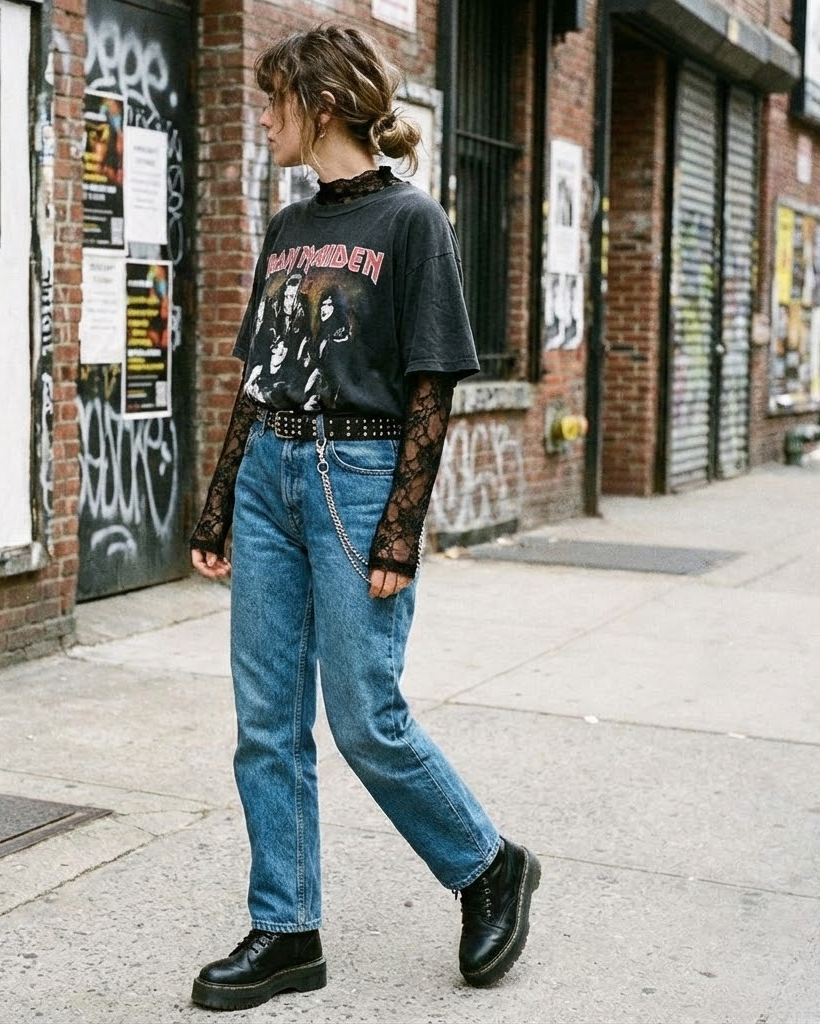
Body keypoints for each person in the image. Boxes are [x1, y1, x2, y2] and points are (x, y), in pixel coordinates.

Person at [188, 23, 540, 1012]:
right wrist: (220, 500)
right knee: (264, 722)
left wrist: (401, 525)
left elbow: (432, 384)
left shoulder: (412, 221)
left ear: (324, 105)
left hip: (358, 471)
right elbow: (259, 380)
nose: (264, 120)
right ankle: (286, 926)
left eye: (274, 102)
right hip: (270, 472)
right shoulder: (287, 228)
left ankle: (486, 865)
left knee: (364, 715)